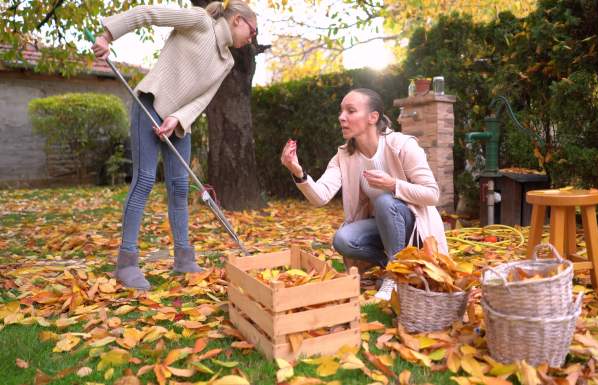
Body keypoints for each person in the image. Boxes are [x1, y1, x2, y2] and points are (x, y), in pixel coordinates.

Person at [92, 1, 258, 290]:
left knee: (180, 187)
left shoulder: (227, 61)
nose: (252, 38)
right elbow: (148, 14)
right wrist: (107, 36)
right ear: (238, 20)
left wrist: (178, 118)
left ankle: (183, 259)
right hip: (151, 104)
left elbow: (203, 98)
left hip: (180, 121)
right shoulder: (199, 21)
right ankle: (127, 263)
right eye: (252, 31)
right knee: (144, 180)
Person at [280, 88, 448, 300]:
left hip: (414, 228)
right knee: (343, 239)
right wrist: (298, 171)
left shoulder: (403, 145)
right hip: (383, 226)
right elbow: (320, 196)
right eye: (341, 111)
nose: (342, 117)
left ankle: (394, 277)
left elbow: (432, 195)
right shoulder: (344, 155)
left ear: (373, 117)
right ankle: (401, 267)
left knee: (386, 201)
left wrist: (393, 184)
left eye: (350, 111)